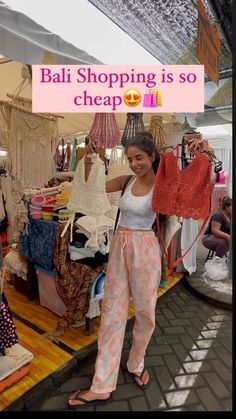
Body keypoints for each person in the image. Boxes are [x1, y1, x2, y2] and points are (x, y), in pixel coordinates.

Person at [68, 131, 208, 408]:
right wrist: (89, 156)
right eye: (130, 158)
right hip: (120, 248)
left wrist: (204, 153)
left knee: (145, 314)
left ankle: (136, 363)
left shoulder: (165, 185)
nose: (134, 163)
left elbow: (197, 187)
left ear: (152, 156)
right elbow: (93, 186)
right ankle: (102, 384)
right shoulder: (126, 182)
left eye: (139, 158)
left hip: (145, 251)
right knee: (111, 314)